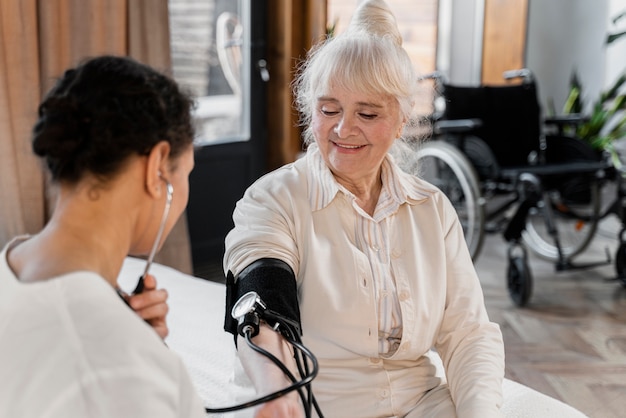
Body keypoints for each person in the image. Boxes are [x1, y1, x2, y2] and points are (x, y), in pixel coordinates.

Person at [223, 1, 505, 417]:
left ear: (401, 117)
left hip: (420, 404)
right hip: (312, 403)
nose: (342, 129)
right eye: (328, 109)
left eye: (367, 113)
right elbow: (261, 299)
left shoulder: (432, 210)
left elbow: (467, 334)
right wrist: (278, 392)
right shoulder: (273, 199)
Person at [0, 55, 206, 417]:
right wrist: (131, 352)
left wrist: (121, 329)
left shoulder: (10, 270)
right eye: (186, 171)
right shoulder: (120, 370)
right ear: (157, 166)